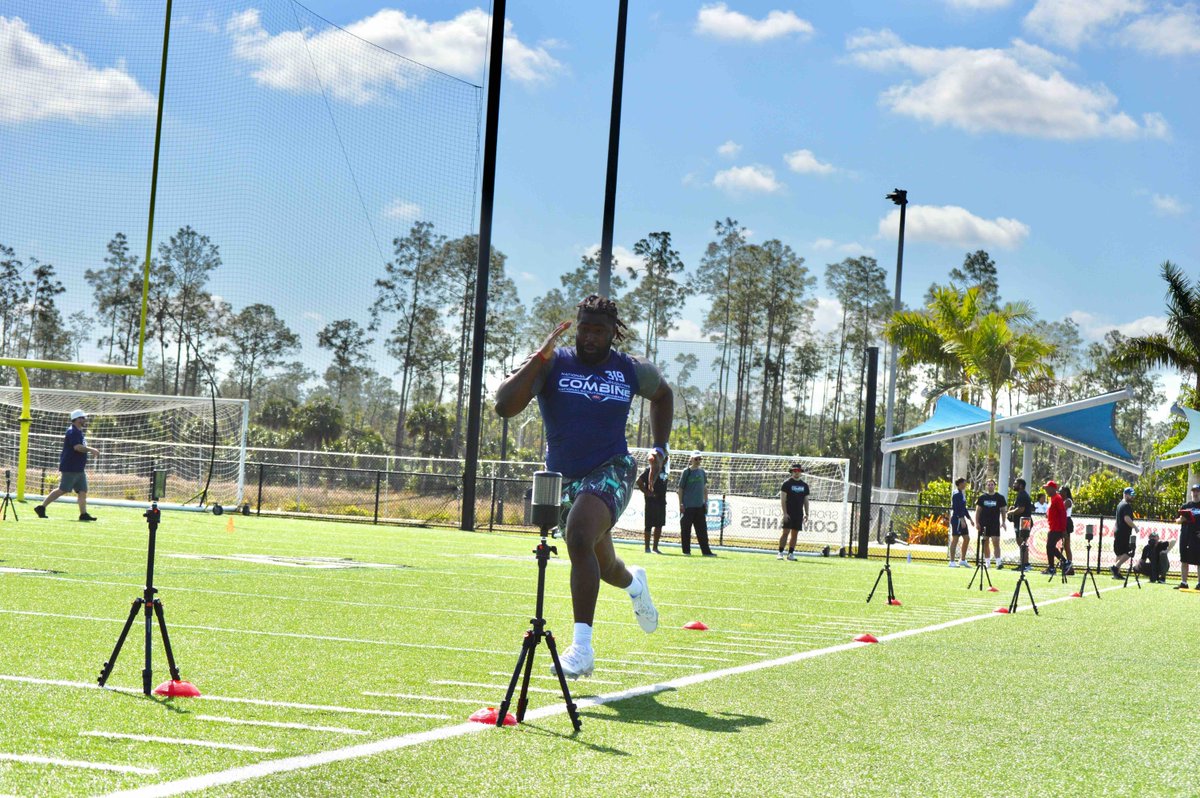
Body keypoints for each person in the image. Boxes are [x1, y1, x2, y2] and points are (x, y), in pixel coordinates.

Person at [494, 295, 672, 679]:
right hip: (563, 478)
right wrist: (536, 360)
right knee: (604, 564)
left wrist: (660, 447)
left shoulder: (630, 370)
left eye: (599, 330)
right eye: (584, 329)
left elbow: (663, 394)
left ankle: (583, 648)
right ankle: (635, 584)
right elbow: (504, 406)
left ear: (613, 333)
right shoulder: (553, 364)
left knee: (577, 535)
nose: (589, 337)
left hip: (613, 467)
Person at [34, 408, 99, 521]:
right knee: (62, 489)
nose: (85, 419)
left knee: (82, 490)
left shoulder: (78, 431)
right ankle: (41, 507)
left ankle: (83, 514)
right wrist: (91, 449)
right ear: (77, 419)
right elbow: (77, 447)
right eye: (83, 417)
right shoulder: (72, 431)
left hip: (78, 468)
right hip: (71, 467)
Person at [677, 454, 715, 556]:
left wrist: (706, 502)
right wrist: (680, 503)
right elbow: (680, 489)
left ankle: (706, 552)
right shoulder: (686, 472)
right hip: (688, 506)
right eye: (696, 459)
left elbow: (705, 488)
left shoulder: (702, 472)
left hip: (699, 507)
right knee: (686, 530)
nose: (698, 461)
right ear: (691, 459)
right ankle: (686, 551)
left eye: (699, 459)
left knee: (702, 531)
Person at [777, 463, 810, 561]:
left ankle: (790, 554)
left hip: (799, 514)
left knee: (795, 534)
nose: (796, 473)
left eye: (798, 471)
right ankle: (780, 552)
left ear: (801, 473)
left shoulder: (804, 485)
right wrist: (785, 513)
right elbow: (783, 500)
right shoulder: (786, 484)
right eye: (795, 471)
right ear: (792, 472)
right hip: (789, 513)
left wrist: (807, 513)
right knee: (785, 532)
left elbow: (806, 500)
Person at [636, 462, 668, 554]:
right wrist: (646, 492)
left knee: (659, 525)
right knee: (649, 525)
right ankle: (647, 548)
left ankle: (655, 548)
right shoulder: (650, 469)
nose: (665, 460)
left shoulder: (665, 470)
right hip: (651, 502)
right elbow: (639, 481)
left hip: (661, 502)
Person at [974, 478, 1006, 568]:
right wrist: (977, 523)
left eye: (992, 484)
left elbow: (1003, 510)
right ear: (986, 486)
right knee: (985, 542)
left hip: (995, 523)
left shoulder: (1000, 497)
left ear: (995, 485)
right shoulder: (982, 497)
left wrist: (1003, 522)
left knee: (996, 541)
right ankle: (987, 563)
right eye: (988, 484)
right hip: (984, 523)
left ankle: (998, 562)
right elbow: (978, 511)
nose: (990, 486)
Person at [1174, 484, 1200, 589]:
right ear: (1191, 493)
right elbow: (1176, 520)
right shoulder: (1185, 506)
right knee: (1184, 559)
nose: (1195, 493)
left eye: (1197, 491)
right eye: (1193, 491)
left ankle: (1199, 584)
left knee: (1199, 561)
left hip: (1197, 537)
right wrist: (1181, 520)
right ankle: (1184, 583)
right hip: (1185, 536)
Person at [1042, 480, 1070, 575]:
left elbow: (1063, 514)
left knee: (1050, 546)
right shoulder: (1053, 498)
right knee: (1050, 547)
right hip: (1053, 527)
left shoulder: (1057, 498)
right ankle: (1063, 562)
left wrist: (1063, 529)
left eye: (1047, 488)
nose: (1046, 490)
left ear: (1052, 489)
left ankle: (1053, 567)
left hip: (1057, 528)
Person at [1008, 478, 1034, 571]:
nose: (1014, 485)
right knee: (1021, 542)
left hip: (1024, 521)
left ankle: (1025, 564)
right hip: (1021, 521)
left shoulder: (1022, 495)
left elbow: (1021, 509)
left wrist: (1010, 512)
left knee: (1022, 542)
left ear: (1021, 486)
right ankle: (1023, 563)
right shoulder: (1020, 495)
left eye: (1016, 483)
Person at [1112, 487, 1138, 578]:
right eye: (1131, 495)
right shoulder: (1126, 505)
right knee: (1129, 552)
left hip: (1118, 531)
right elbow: (1126, 519)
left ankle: (1116, 573)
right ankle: (1115, 567)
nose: (1132, 497)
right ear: (1125, 494)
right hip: (1124, 532)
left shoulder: (1120, 504)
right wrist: (1135, 527)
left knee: (1119, 553)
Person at [949, 477, 972, 567]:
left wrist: (969, 518)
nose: (965, 485)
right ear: (959, 484)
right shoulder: (956, 494)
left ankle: (962, 560)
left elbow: (963, 508)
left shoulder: (961, 494)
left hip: (962, 519)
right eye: (964, 483)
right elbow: (956, 508)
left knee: (966, 538)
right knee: (955, 539)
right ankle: (951, 561)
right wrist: (961, 519)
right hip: (957, 520)